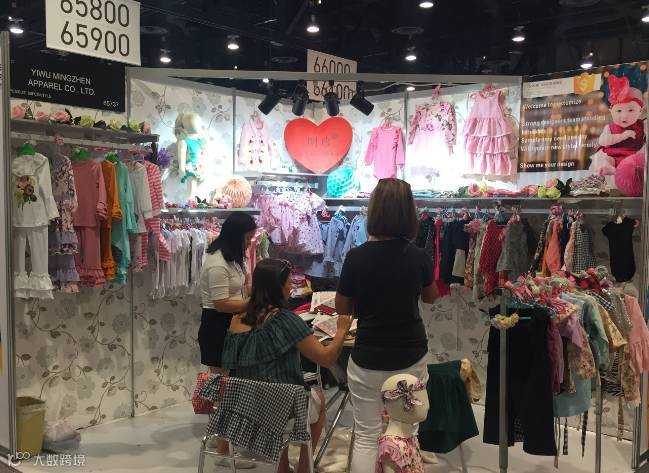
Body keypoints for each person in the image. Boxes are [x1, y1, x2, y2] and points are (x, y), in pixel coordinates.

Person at [335, 178, 439, 472]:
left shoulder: (356, 257)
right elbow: (431, 297)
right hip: (410, 356)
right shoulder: (418, 256)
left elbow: (342, 307)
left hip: (367, 356)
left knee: (366, 435)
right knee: (406, 433)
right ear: (409, 212)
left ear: (374, 210)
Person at [223, 258, 353, 473]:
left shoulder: (237, 319)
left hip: (246, 405)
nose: (292, 286)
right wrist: (340, 330)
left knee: (276, 389)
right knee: (318, 399)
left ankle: (282, 467)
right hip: (280, 406)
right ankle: (305, 466)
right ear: (278, 287)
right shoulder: (284, 320)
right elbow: (326, 359)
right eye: (289, 282)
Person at [198, 212, 257, 375]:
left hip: (234, 322)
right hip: (218, 326)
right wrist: (255, 303)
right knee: (222, 381)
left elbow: (244, 283)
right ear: (235, 236)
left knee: (234, 379)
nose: (249, 243)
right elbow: (221, 304)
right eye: (247, 238)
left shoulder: (233, 257)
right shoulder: (218, 263)